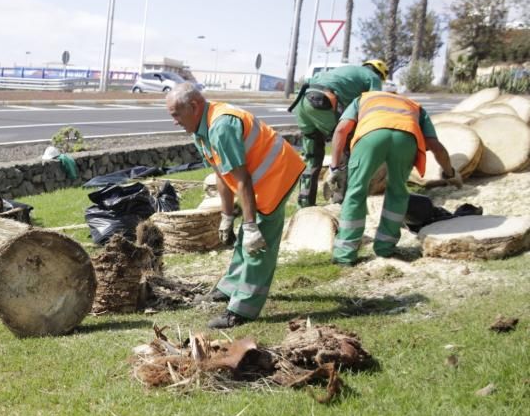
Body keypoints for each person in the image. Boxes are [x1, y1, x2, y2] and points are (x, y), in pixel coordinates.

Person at [166, 82, 305, 329]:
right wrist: (227, 216)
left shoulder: (221, 128)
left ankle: (242, 310)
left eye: (176, 114)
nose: (174, 121)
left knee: (258, 244)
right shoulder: (202, 128)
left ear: (194, 106)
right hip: (260, 177)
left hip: (276, 176)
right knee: (246, 236)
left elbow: (242, 180)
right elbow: (221, 174)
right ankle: (230, 287)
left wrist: (251, 226)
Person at [329, 90, 458, 265]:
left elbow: (341, 130)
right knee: (398, 192)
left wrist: (335, 167)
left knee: (356, 191)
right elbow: (435, 146)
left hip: (371, 136)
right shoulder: (414, 106)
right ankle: (385, 248)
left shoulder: (364, 98)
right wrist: (450, 172)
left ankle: (345, 254)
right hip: (406, 139)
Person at [289, 59, 388, 207]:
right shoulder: (372, 77)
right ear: (380, 74)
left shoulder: (347, 73)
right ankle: (339, 201)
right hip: (323, 101)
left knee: (312, 158)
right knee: (345, 147)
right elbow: (373, 107)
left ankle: (304, 205)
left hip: (302, 103)